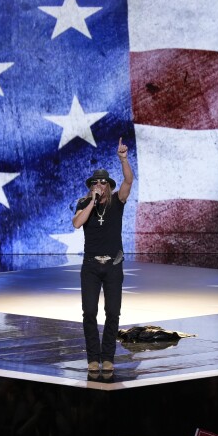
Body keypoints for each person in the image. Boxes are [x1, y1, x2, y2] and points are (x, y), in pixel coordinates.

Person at [72, 137, 134, 373]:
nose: (99, 185)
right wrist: (91, 202)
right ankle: (93, 358)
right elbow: (77, 223)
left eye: (103, 182)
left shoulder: (118, 201)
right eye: (95, 183)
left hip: (112, 266)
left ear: (108, 185)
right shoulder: (84, 202)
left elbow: (129, 180)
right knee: (89, 313)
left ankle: (108, 356)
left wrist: (123, 159)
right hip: (90, 266)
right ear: (91, 186)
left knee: (112, 312)